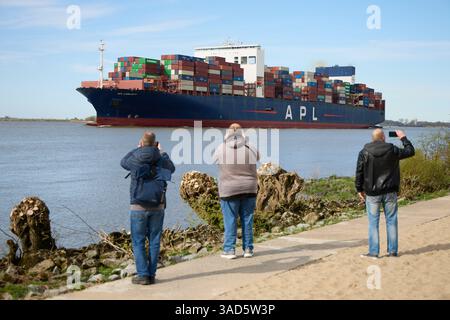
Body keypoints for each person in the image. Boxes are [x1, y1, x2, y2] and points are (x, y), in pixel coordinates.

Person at [121, 132, 175, 285]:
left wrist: (137, 149)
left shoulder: (135, 158)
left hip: (138, 205)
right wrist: (162, 152)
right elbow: (171, 168)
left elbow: (123, 162)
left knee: (138, 240)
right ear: (156, 143)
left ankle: (143, 274)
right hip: (158, 205)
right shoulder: (161, 158)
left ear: (141, 142)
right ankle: (151, 274)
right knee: (155, 240)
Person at [355, 129, 415, 259]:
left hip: (372, 193)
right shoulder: (392, 150)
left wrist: (359, 189)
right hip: (390, 192)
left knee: (373, 223)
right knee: (391, 221)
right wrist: (403, 138)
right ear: (383, 137)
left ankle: (374, 252)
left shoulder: (364, 152)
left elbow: (359, 172)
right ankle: (392, 252)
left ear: (373, 138)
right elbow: (410, 151)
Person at [213, 123, 260, 259]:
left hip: (228, 190)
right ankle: (248, 249)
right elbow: (258, 157)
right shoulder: (250, 147)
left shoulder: (221, 148)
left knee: (230, 220)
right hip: (249, 188)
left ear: (227, 133)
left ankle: (229, 250)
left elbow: (215, 160)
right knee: (247, 219)